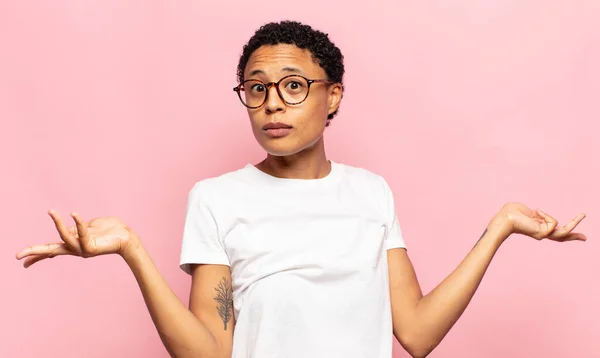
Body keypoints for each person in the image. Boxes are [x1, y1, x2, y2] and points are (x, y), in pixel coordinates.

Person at [15, 21, 587, 358]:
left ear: (332, 95)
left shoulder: (371, 193)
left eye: (294, 86)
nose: (272, 104)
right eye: (256, 88)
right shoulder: (217, 198)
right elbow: (210, 351)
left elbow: (414, 332)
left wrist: (500, 228)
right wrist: (133, 251)